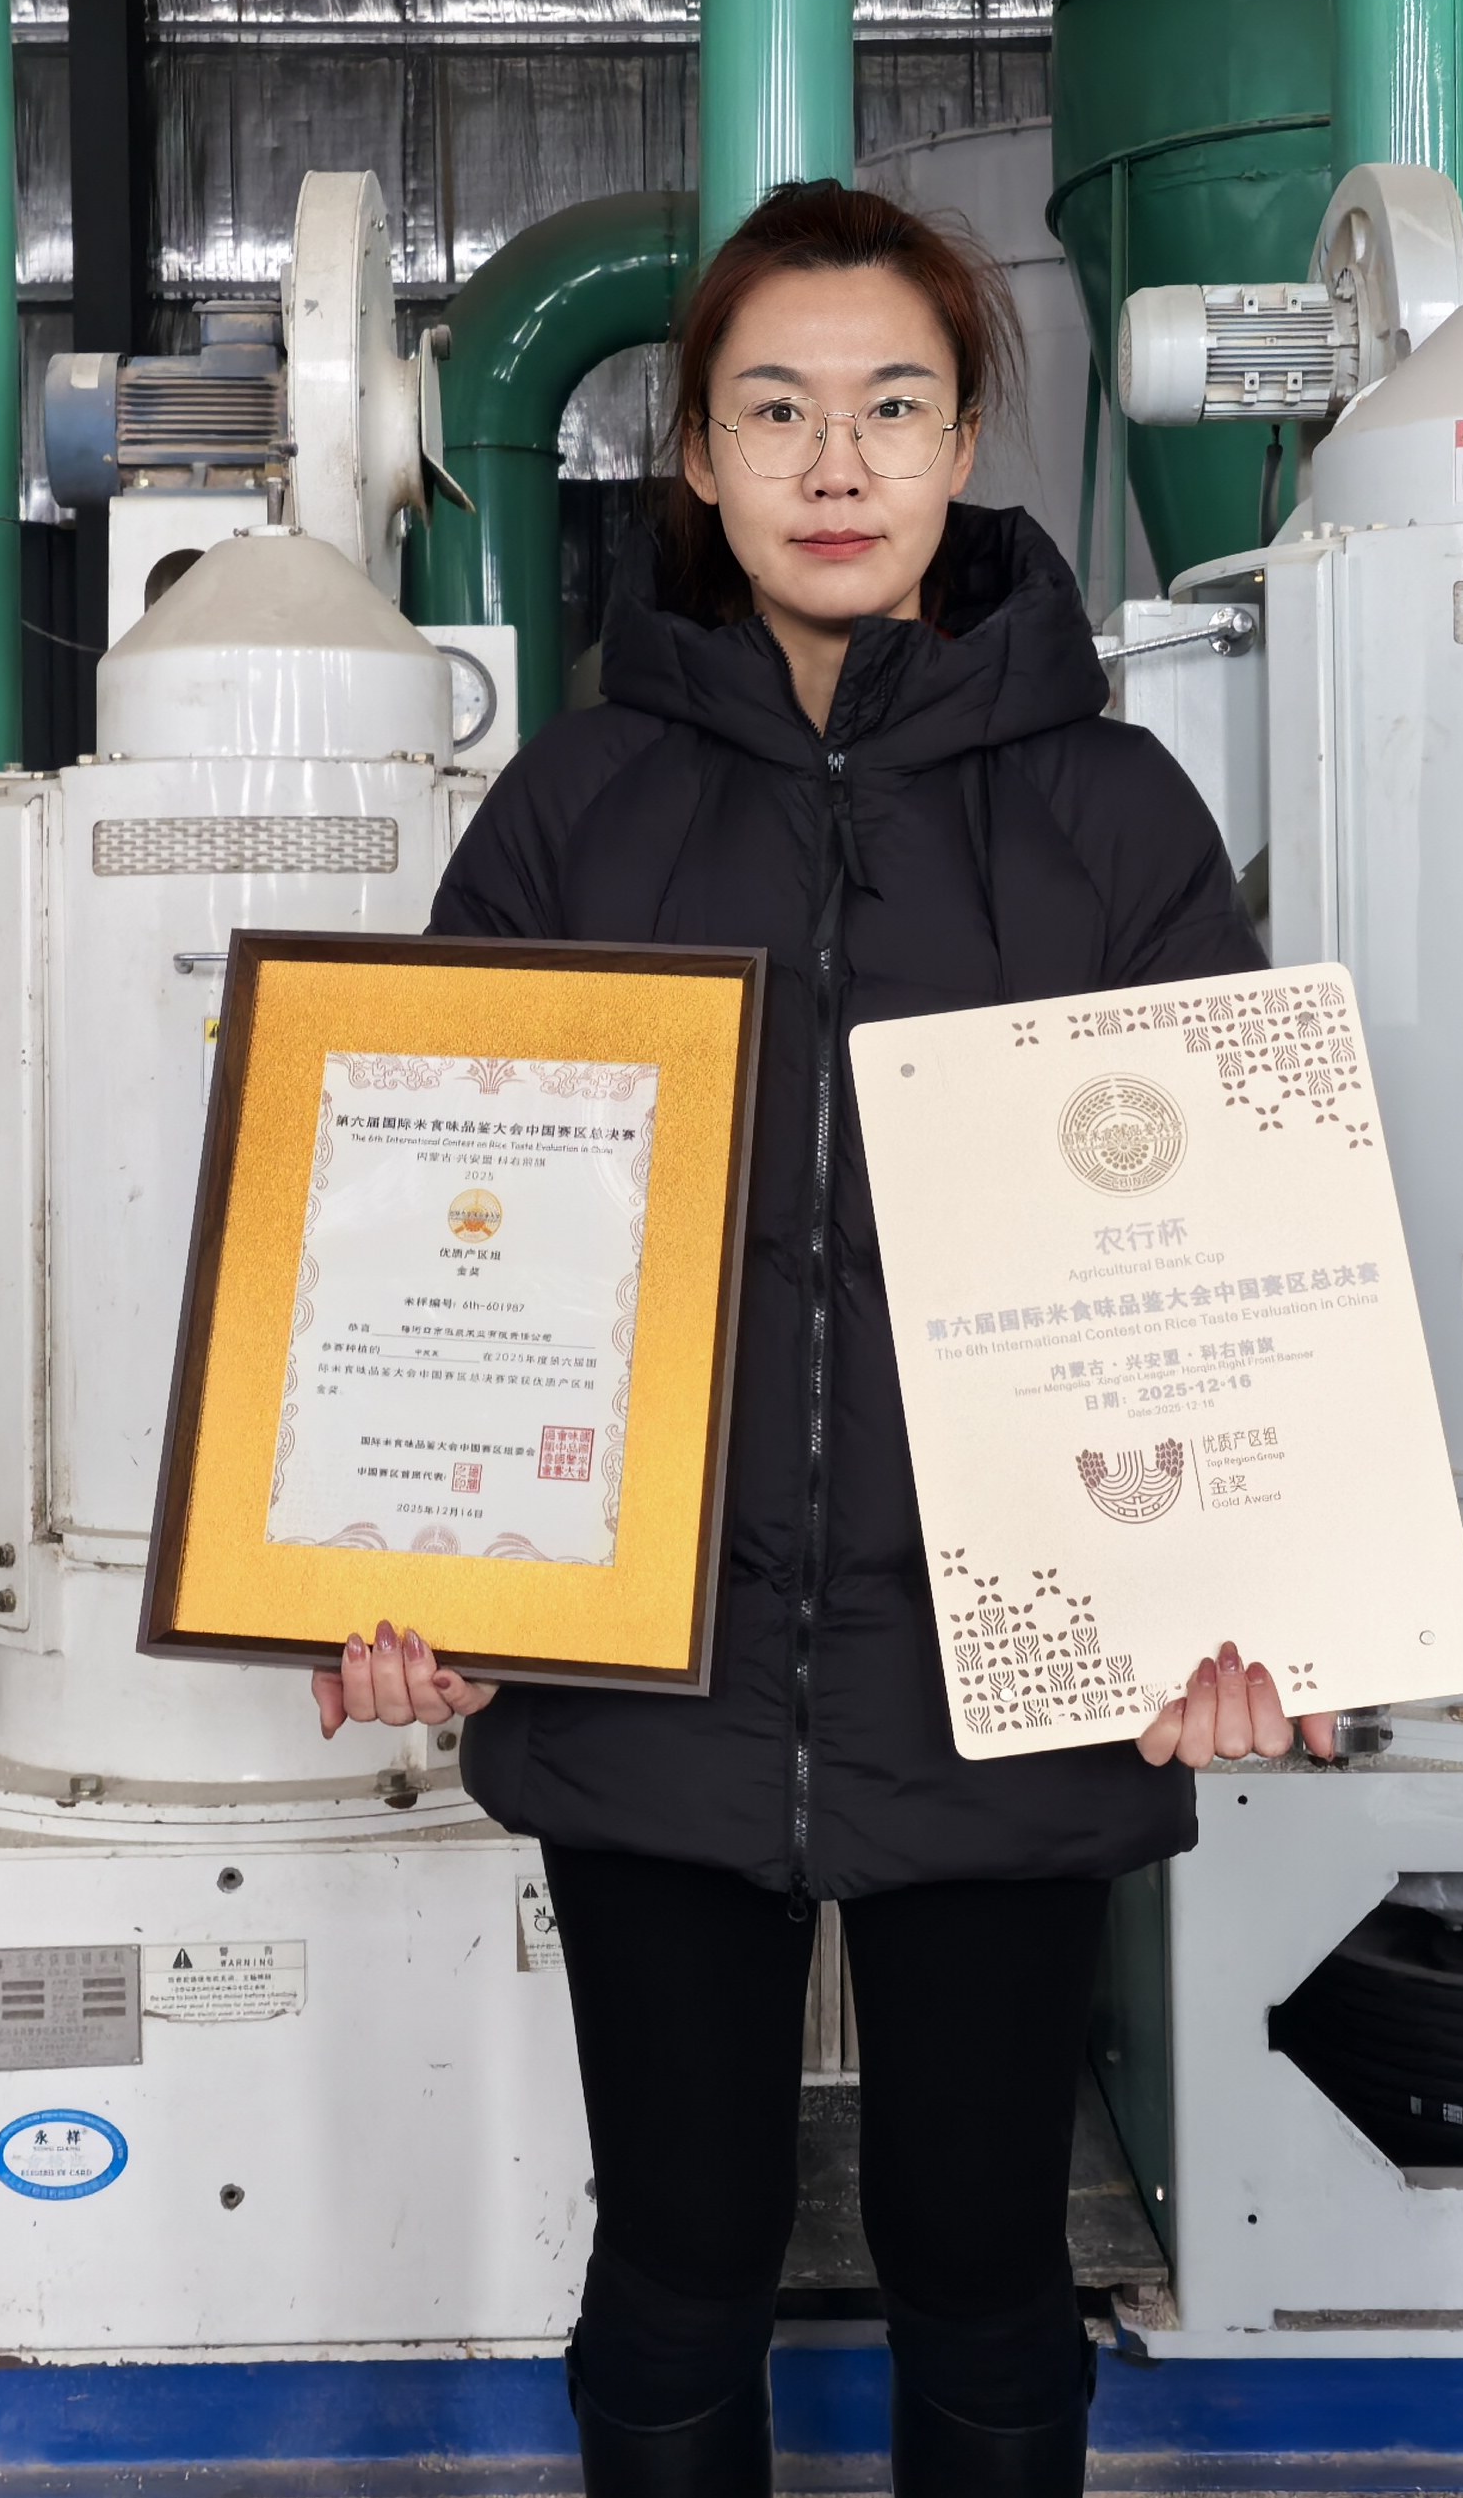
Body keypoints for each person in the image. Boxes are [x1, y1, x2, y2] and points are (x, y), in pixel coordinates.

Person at [315, 179, 1331, 2498]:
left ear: (967, 440)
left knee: (984, 2264)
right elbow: (427, 1240)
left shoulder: (1113, 812)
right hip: (651, 1675)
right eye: (776, 410)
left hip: (1009, 1671)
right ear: (695, 455)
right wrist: (398, 1566)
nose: (836, 462)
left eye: (892, 405)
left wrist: (1236, 1605)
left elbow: (1235, 1264)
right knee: (678, 2262)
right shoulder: (576, 809)